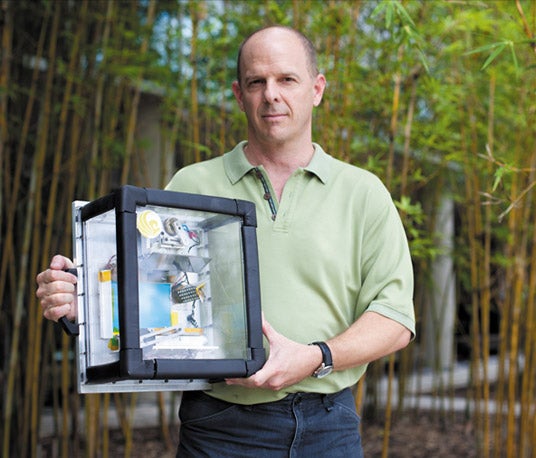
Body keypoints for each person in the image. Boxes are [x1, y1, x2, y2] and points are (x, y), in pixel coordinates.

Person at [37, 25, 415, 457]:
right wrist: (83, 303)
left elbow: (395, 319)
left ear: (317, 89)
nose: (271, 94)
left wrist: (316, 356)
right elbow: (155, 299)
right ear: (239, 95)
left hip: (328, 426)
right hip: (220, 426)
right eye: (257, 82)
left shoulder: (363, 192)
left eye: (286, 79)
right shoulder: (193, 184)